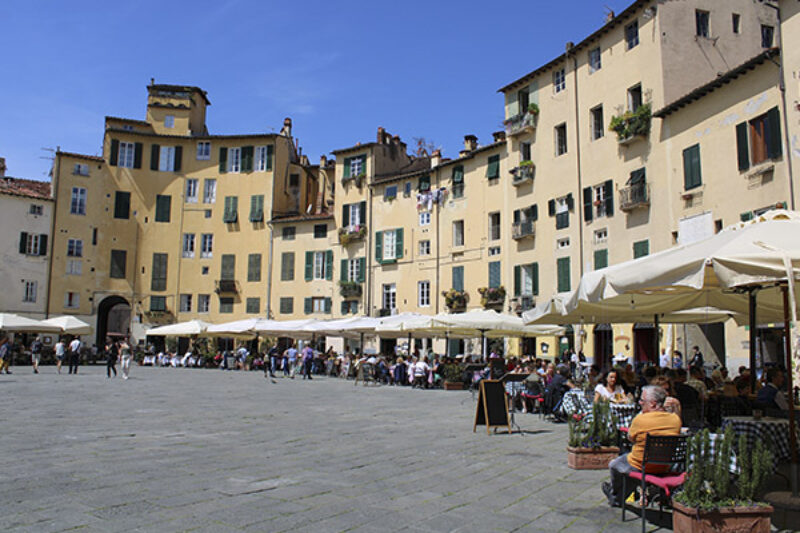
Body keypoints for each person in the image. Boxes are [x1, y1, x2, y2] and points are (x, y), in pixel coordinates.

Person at [602, 385, 682, 507]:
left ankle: (615, 495)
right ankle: (616, 496)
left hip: (640, 464)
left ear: (653, 404)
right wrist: (677, 407)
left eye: (642, 400)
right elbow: (678, 421)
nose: (640, 403)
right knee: (628, 468)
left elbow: (630, 438)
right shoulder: (675, 420)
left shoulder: (640, 420)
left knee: (615, 465)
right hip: (664, 466)